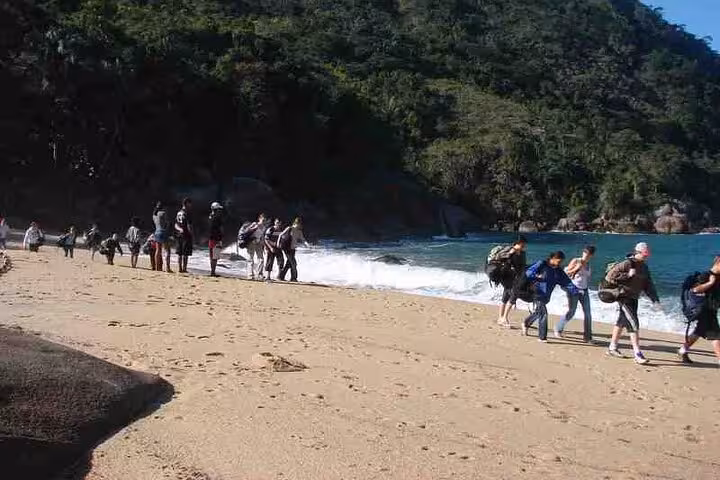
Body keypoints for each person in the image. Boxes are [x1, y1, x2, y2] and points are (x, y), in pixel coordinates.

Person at [605, 242, 660, 365]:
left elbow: (648, 285)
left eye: (647, 255)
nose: (646, 257)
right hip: (624, 297)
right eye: (644, 255)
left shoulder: (644, 268)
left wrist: (655, 300)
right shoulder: (627, 263)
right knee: (633, 324)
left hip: (634, 298)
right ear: (637, 252)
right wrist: (626, 275)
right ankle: (637, 354)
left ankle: (612, 348)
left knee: (621, 321)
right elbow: (609, 277)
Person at [521, 251, 579, 342]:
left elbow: (567, 282)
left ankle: (526, 323)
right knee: (543, 313)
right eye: (558, 261)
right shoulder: (542, 264)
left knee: (538, 312)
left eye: (561, 262)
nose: (560, 263)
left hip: (546, 296)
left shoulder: (558, 271)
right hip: (536, 293)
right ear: (552, 258)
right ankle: (542, 337)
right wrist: (537, 277)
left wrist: (576, 291)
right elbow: (528, 273)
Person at [678, 256, 720, 367]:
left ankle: (682, 350)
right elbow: (695, 290)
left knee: (699, 332)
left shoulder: (718, 277)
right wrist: (710, 283)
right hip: (704, 310)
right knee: (716, 336)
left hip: (712, 310)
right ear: (718, 263)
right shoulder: (706, 276)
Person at [555, 245, 596, 342]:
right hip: (573, 289)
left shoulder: (589, 265)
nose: (586, 255)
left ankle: (587, 337)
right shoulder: (576, 260)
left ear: (591, 256)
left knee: (588, 313)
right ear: (583, 252)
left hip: (584, 290)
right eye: (585, 253)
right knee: (571, 311)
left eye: (589, 254)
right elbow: (566, 272)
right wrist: (575, 269)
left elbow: (585, 278)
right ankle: (558, 328)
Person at [495, 236, 528, 327]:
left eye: (524, 244)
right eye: (522, 244)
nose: (523, 246)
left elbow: (523, 266)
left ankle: (501, 318)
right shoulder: (509, 251)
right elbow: (501, 259)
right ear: (516, 243)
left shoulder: (522, 253)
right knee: (512, 296)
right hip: (507, 277)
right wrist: (510, 253)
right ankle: (504, 318)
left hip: (516, 278)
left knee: (506, 296)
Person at [278, 217, 310, 282]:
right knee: (294, 263)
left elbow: (302, 239)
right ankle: (294, 278)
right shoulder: (289, 228)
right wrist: (278, 244)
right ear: (297, 223)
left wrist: (307, 244)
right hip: (287, 248)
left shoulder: (299, 231)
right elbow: (280, 235)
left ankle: (281, 276)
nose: (301, 226)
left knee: (289, 263)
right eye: (300, 224)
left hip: (293, 249)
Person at [246, 213, 268, 280]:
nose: (264, 221)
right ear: (259, 219)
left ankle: (259, 274)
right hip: (251, 243)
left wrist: (264, 244)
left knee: (261, 259)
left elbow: (262, 236)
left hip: (259, 243)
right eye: (263, 219)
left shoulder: (264, 227)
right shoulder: (255, 224)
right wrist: (254, 228)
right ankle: (250, 275)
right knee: (250, 259)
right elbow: (247, 231)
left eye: (265, 220)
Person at [174, 198, 193, 273]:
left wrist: (179, 229)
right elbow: (189, 225)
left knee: (179, 253)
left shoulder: (179, 213)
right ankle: (184, 269)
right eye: (190, 203)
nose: (191, 205)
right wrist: (192, 234)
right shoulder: (187, 213)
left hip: (179, 235)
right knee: (185, 253)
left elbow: (175, 224)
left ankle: (180, 268)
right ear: (187, 203)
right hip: (186, 235)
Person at [153, 201, 172, 273]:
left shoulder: (154, 215)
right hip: (163, 232)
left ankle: (157, 267)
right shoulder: (163, 213)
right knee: (167, 250)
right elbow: (167, 223)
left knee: (158, 250)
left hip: (157, 232)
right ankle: (167, 268)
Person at [208, 202, 224, 277]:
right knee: (215, 256)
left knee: (212, 256)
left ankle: (212, 271)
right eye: (218, 209)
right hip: (216, 239)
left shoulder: (210, 216)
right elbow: (220, 229)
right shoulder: (218, 218)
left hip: (211, 238)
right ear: (215, 209)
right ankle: (213, 272)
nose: (219, 211)